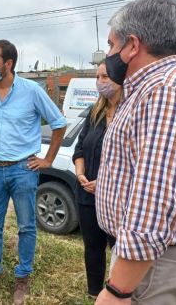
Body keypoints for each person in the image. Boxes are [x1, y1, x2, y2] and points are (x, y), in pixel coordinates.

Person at [95, 0, 176, 305]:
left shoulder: (165, 92)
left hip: (161, 264)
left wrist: (118, 291)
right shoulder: (154, 89)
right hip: (152, 261)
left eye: (113, 45)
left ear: (133, 45)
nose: (110, 54)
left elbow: (153, 199)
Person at [0, 39, 66, 305]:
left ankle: (22, 279)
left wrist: (48, 159)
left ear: (8, 64)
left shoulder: (31, 90)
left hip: (24, 169)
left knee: (26, 226)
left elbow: (59, 123)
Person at [72, 61, 120, 298]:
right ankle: (94, 293)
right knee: (93, 248)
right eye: (97, 76)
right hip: (87, 194)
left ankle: (119, 294)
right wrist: (80, 174)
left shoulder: (129, 113)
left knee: (119, 250)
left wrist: (103, 182)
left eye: (105, 76)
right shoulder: (95, 112)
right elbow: (79, 148)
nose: (100, 81)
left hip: (115, 198)